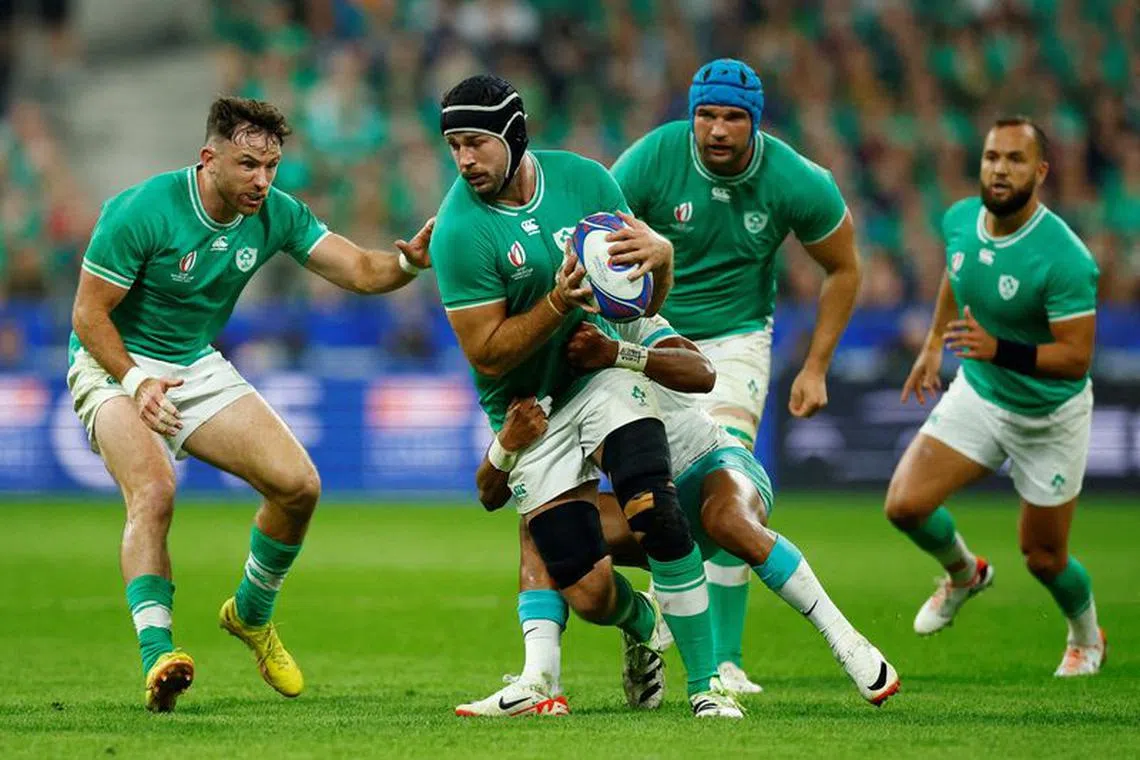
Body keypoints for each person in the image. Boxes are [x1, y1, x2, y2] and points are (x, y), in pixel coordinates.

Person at [68, 96, 434, 711]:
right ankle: (159, 655)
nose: (262, 180)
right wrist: (135, 383)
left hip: (192, 362)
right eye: (247, 165)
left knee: (299, 486)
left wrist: (406, 262)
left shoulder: (277, 214)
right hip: (113, 364)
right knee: (154, 490)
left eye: (271, 166)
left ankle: (251, 613)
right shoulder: (139, 211)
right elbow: (87, 314)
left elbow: (361, 270)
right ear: (209, 159)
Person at [429, 74, 742, 718]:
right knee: (591, 594)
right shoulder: (457, 231)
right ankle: (641, 621)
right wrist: (555, 302)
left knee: (653, 506)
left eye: (475, 143)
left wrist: (662, 258)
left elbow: (642, 301)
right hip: (531, 412)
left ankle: (707, 687)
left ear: (514, 136)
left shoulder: (588, 183)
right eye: (453, 145)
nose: (463, 160)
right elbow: (487, 353)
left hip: (599, 373)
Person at [457, 317, 899, 717]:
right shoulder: (537, 375)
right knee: (541, 523)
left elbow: (702, 373)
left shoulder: (619, 318)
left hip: (712, 464)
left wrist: (616, 353)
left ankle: (846, 641)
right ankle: (579, 657)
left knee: (725, 519)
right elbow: (489, 491)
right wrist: (507, 445)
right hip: (647, 511)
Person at [609, 58, 862, 691]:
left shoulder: (798, 180)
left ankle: (725, 660)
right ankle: (662, 631)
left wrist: (817, 366)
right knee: (654, 490)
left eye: (732, 117)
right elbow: (593, 229)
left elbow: (845, 268)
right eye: (706, 115)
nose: (717, 130)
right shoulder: (651, 158)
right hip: (653, 332)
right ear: (690, 114)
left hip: (736, 341)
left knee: (723, 482)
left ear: (757, 122)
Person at [885, 116, 1105, 676]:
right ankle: (965, 573)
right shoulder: (961, 220)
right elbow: (955, 275)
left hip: (1048, 416)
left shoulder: (1066, 258)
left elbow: (1076, 357)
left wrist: (998, 348)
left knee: (1044, 558)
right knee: (905, 506)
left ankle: (1086, 635)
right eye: (991, 158)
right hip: (981, 395)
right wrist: (934, 343)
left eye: (1014, 160)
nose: (1000, 169)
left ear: (1041, 171)